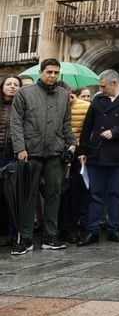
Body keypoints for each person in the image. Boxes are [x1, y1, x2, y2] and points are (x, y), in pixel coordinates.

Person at [9, 59, 78, 254]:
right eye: (49, 72)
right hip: (30, 151)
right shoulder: (24, 93)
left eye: (56, 73)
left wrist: (72, 142)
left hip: (54, 152)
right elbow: (16, 124)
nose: (53, 76)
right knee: (28, 195)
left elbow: (66, 123)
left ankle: (50, 236)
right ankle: (27, 238)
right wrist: (20, 148)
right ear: (41, 72)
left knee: (54, 194)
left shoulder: (64, 95)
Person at [76, 70, 119, 246]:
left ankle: (114, 229)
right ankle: (93, 230)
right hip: (96, 153)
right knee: (95, 194)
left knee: (115, 194)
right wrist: (82, 150)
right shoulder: (98, 99)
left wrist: (116, 132)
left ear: (114, 83)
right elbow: (87, 125)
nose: (100, 89)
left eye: (103, 86)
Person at [58, 81, 91, 244]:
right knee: (58, 193)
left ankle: (72, 227)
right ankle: (59, 227)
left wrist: (78, 148)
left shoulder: (84, 106)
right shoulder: (51, 106)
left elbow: (87, 131)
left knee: (74, 194)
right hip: (55, 154)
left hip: (76, 155)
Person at [0, 75, 21, 247]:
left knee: (12, 198)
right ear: (2, 86)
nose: (12, 87)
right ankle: (3, 234)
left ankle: (14, 233)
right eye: (9, 84)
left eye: (16, 84)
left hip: (14, 158)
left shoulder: (23, 107)